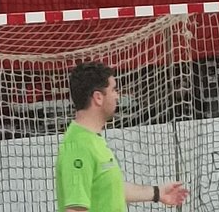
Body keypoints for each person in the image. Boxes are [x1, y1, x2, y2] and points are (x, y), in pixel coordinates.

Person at [56, 62, 187, 212]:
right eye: (113, 89)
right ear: (98, 97)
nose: (118, 95)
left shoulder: (93, 139)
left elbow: (111, 189)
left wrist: (157, 193)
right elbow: (75, 209)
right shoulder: (78, 146)